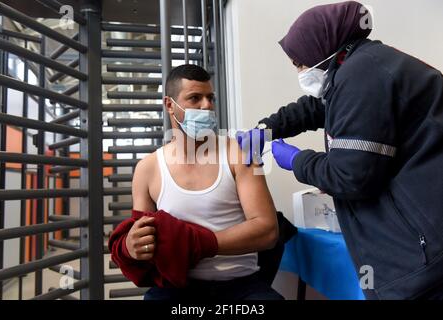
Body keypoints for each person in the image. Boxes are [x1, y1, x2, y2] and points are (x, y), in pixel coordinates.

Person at [237, 1, 443, 300]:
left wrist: (297, 160)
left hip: (423, 256)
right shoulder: (361, 67)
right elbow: (315, 107)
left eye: (299, 62)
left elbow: (350, 176)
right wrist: (268, 127)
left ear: (319, 47)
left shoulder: (363, 76)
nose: (301, 70)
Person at [110, 64, 284, 300]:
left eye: (210, 97)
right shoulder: (147, 169)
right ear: (170, 105)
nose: (207, 106)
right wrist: (132, 247)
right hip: (177, 288)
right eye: (195, 98)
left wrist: (199, 243)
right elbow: (143, 238)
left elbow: (267, 231)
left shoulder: (240, 153)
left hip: (241, 286)